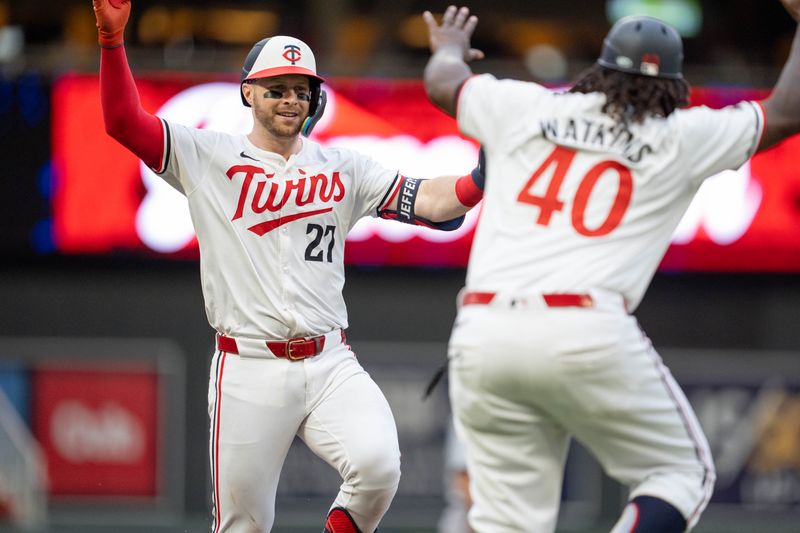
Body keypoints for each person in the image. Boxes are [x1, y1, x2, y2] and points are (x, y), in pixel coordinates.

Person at [91, 1, 485, 532]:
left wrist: (484, 174)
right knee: (242, 525)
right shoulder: (208, 155)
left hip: (328, 360)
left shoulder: (342, 166)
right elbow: (122, 122)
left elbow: (434, 201)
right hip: (247, 365)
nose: (291, 99)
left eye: (301, 90)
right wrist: (112, 43)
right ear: (248, 93)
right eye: (277, 88)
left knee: (378, 467)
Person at [423, 3, 800, 533]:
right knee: (679, 472)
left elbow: (444, 84)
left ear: (597, 70)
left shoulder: (524, 107)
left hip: (483, 331)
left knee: (506, 522)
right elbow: (786, 110)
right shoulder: (680, 136)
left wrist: (447, 48)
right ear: (673, 86)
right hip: (585, 328)